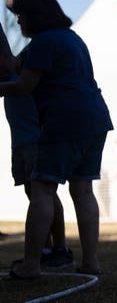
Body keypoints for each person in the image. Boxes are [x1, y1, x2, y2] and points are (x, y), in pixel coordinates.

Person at [1, 0, 113, 279]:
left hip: (64, 121)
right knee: (83, 190)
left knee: (41, 190)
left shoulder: (43, 42)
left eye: (21, 17)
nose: (18, 23)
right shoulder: (72, 39)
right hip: (96, 119)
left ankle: (31, 265)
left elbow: (23, 87)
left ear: (35, 16)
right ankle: (91, 262)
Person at [1, 42, 72, 268]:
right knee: (33, 192)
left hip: (36, 140)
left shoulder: (29, 69)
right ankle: (45, 247)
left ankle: (60, 248)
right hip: (20, 142)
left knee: (46, 192)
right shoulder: (11, 73)